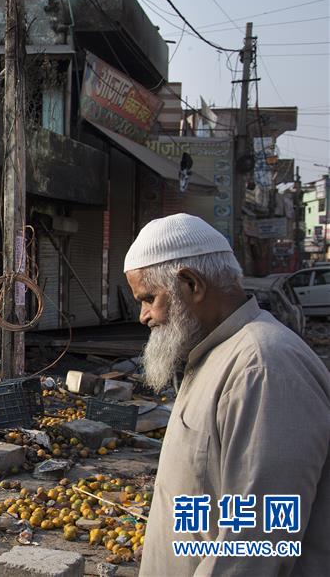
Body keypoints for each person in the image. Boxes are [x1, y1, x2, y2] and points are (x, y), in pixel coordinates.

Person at [124, 213, 330, 576]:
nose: (143, 316)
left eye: (148, 299)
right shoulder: (217, 355)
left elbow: (255, 541)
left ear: (191, 284)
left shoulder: (262, 367)